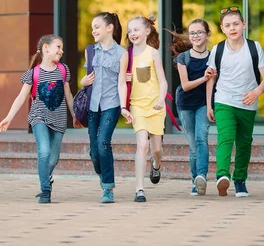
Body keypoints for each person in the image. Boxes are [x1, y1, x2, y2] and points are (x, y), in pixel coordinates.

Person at [0, 34, 80, 203]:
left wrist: (75, 115)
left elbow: (68, 95)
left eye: (62, 48)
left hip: (58, 117)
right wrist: (9, 117)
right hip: (38, 116)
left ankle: (46, 177)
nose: (61, 51)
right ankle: (45, 190)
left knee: (53, 158)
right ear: (46, 48)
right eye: (58, 47)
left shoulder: (63, 70)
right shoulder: (32, 73)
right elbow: (21, 97)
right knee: (44, 151)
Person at [206, 6, 264, 197]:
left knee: (244, 143)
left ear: (244, 24)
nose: (232, 28)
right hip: (224, 100)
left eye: (236, 23)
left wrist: (257, 91)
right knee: (225, 138)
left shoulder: (254, 47)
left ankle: (240, 180)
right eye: (228, 25)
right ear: (222, 28)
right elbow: (210, 77)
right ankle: (222, 176)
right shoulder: (218, 49)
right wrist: (210, 104)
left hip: (247, 103)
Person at [80, 12, 127, 204]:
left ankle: (108, 188)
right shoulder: (90, 51)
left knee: (103, 143)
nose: (93, 30)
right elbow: (86, 80)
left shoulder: (122, 53)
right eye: (92, 27)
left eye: (97, 26)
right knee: (94, 150)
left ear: (110, 28)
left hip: (111, 104)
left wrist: (123, 106)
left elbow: (122, 82)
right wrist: (82, 82)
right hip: (92, 105)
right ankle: (102, 173)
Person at [118, 15, 166, 203]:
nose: (132, 34)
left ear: (147, 31)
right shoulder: (126, 55)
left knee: (156, 149)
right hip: (137, 105)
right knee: (142, 145)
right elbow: (121, 81)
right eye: (130, 31)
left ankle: (156, 165)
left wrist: (161, 99)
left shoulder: (153, 53)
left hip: (155, 105)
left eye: (136, 30)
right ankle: (139, 189)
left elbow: (162, 81)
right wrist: (124, 105)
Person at [169, 19, 212, 196]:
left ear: (208, 35)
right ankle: (195, 180)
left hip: (203, 103)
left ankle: (201, 176)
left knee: (202, 139)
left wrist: (211, 105)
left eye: (200, 32)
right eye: (192, 33)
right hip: (185, 104)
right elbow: (185, 86)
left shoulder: (214, 56)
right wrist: (205, 78)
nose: (195, 36)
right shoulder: (183, 58)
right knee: (193, 146)